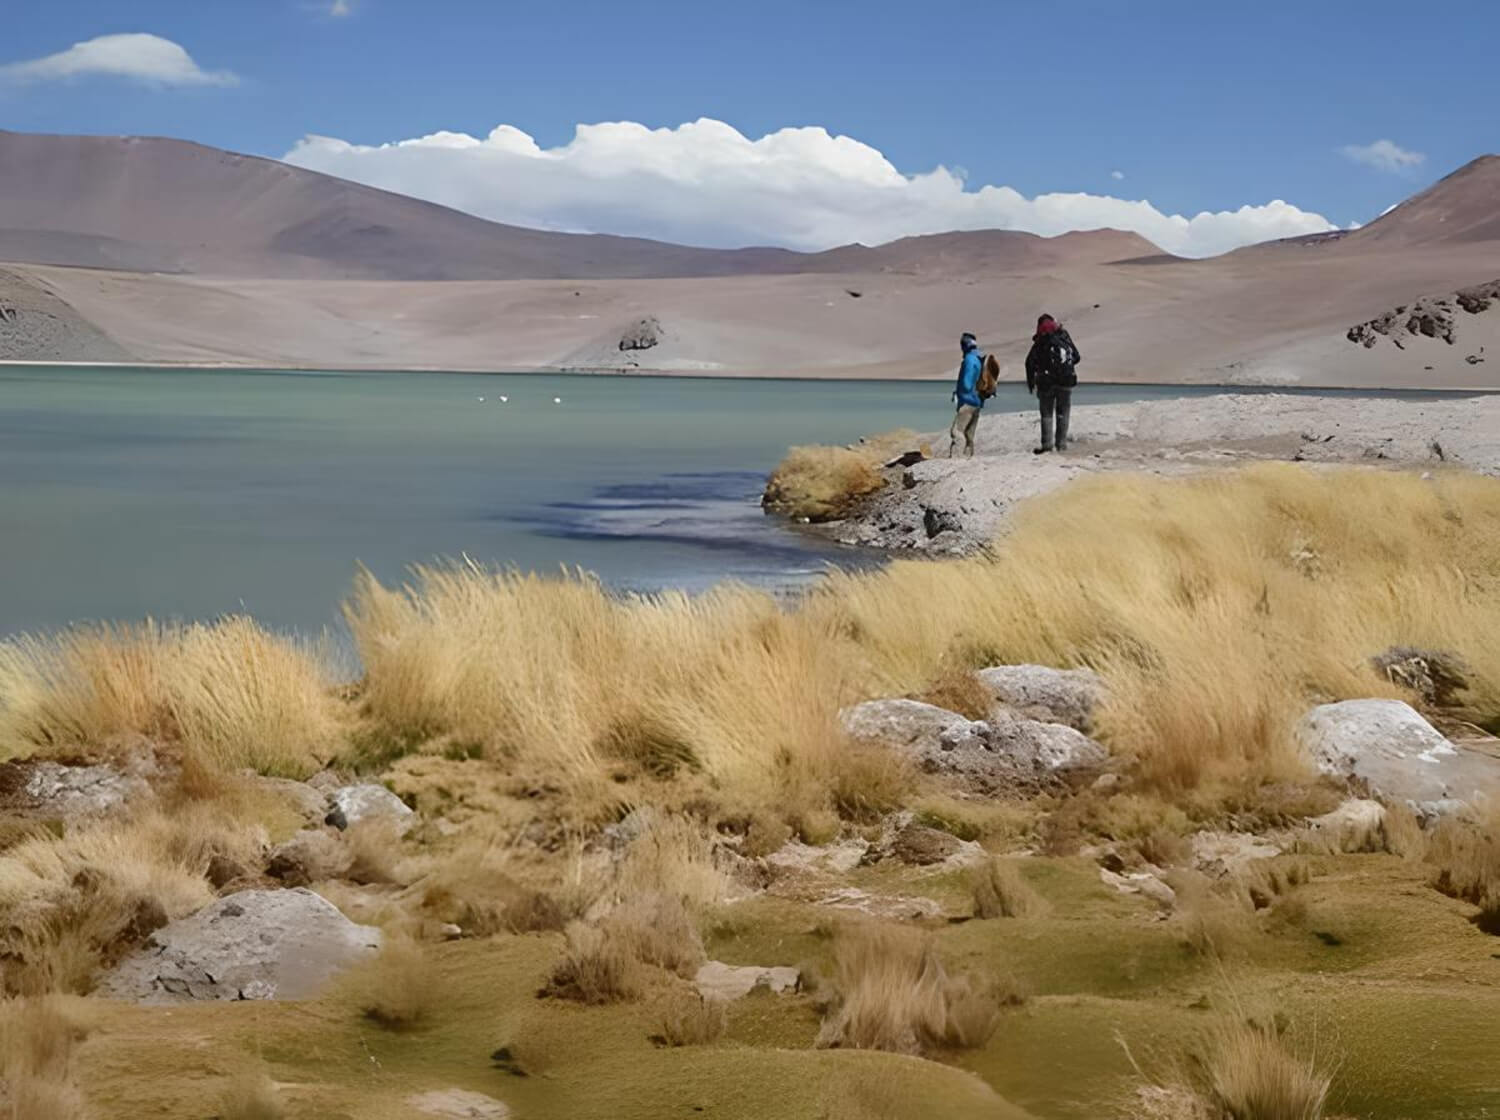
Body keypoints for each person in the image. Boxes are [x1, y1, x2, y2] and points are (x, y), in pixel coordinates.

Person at [1025, 314, 1081, 454]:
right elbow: (1076, 357)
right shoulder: (1064, 337)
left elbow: (1029, 362)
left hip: (1046, 383)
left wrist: (1031, 382)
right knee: (1063, 413)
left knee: (1047, 414)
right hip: (1066, 382)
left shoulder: (1040, 341)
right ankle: (1061, 445)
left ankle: (1047, 446)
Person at [949, 332, 985, 458]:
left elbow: (967, 384)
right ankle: (968, 457)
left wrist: (960, 393)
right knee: (969, 434)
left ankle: (955, 459)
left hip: (968, 401)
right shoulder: (978, 359)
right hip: (977, 401)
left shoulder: (969, 360)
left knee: (957, 431)